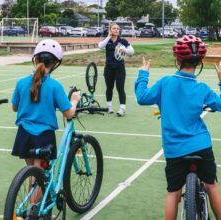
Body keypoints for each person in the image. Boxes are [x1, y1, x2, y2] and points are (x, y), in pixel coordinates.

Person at [135, 35, 221, 220]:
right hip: (200, 145)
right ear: (200, 61)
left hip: (174, 149)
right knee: (211, 185)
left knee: (173, 193)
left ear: (178, 59)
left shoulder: (165, 83)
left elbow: (142, 97)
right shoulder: (202, 88)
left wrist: (143, 74)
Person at [11, 39, 81, 168]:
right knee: (39, 175)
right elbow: (69, 113)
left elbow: (15, 108)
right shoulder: (55, 86)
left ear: (35, 59)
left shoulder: (21, 82)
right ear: (55, 63)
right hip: (43, 136)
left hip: (24, 133)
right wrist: (74, 101)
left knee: (31, 171)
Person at [98, 22, 134, 116]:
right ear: (110, 30)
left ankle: (122, 108)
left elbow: (132, 51)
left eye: (118, 28)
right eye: (114, 28)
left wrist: (125, 50)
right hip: (109, 68)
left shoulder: (123, 41)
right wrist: (108, 37)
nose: (117, 30)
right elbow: (100, 46)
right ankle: (109, 106)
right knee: (109, 88)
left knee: (120, 88)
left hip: (119, 68)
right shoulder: (107, 41)